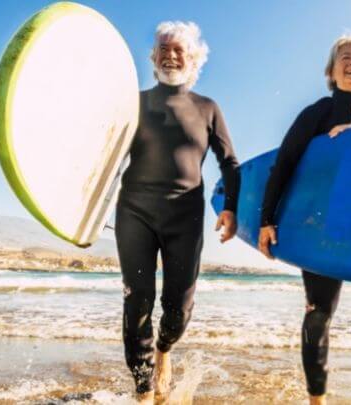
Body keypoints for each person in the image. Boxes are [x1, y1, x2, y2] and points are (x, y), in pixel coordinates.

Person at [258, 32, 351, 405]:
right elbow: (284, 166)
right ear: (332, 70)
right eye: (346, 57)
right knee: (319, 312)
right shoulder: (316, 114)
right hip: (322, 226)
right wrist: (266, 221)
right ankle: (316, 401)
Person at [115, 21, 240, 403]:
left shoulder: (207, 108)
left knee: (178, 309)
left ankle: (164, 350)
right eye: (163, 49)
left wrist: (231, 208)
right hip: (135, 210)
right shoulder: (133, 103)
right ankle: (142, 390)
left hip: (184, 217)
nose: (170, 55)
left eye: (178, 50)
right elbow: (105, 156)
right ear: (153, 57)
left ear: (193, 58)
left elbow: (230, 163)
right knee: (138, 300)